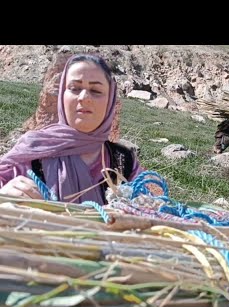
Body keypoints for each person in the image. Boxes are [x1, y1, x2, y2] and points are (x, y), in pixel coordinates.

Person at [0, 54, 143, 204]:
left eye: (96, 91)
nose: (84, 97)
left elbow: (155, 211)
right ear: (62, 95)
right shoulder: (32, 150)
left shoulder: (124, 162)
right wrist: (4, 194)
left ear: (110, 100)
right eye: (75, 88)